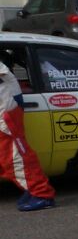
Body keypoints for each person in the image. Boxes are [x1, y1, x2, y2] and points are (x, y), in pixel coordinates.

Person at [0, 58, 55, 212]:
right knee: (8, 156)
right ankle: (32, 189)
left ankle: (42, 194)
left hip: (4, 106)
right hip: (5, 99)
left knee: (14, 156)